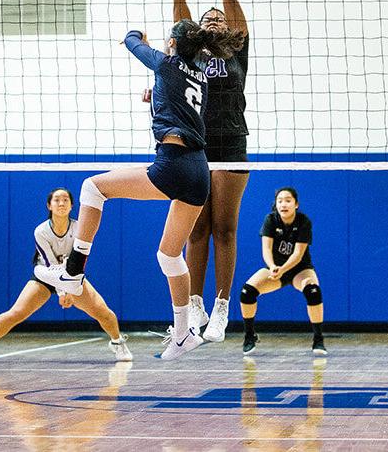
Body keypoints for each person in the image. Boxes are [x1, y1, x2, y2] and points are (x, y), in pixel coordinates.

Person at [35, 21, 245, 360]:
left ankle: (73, 271)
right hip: (198, 170)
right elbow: (177, 108)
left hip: (173, 164)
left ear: (174, 43)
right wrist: (155, 96)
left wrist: (138, 35)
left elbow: (132, 42)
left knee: (92, 188)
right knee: (168, 255)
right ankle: (182, 335)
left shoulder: (165, 62)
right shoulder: (200, 74)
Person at [163, 0, 251, 343]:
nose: (215, 18)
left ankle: (221, 309)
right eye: (208, 17)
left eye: (220, 17)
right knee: (196, 230)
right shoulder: (189, 51)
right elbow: (179, 2)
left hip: (231, 144)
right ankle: (194, 307)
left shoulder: (237, 48)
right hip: (196, 145)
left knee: (225, 230)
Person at [0, 188, 131, 363]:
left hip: (73, 275)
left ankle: (117, 342)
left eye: (65, 200)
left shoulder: (79, 228)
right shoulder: (41, 231)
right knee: (17, 312)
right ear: (49, 205)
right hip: (45, 275)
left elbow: (80, 259)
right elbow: (50, 264)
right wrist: (63, 292)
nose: (61, 203)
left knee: (103, 312)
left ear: (71, 206)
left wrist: (70, 288)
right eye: (57, 200)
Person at [239, 187, 327, 356]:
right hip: (276, 268)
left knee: (313, 291)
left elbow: (298, 253)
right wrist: (272, 266)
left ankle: (318, 339)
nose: (283, 204)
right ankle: (250, 335)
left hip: (300, 269)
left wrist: (282, 269)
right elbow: (266, 249)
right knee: (247, 292)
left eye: (288, 200)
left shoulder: (303, 222)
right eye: (280, 201)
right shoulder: (270, 220)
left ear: (296, 204)